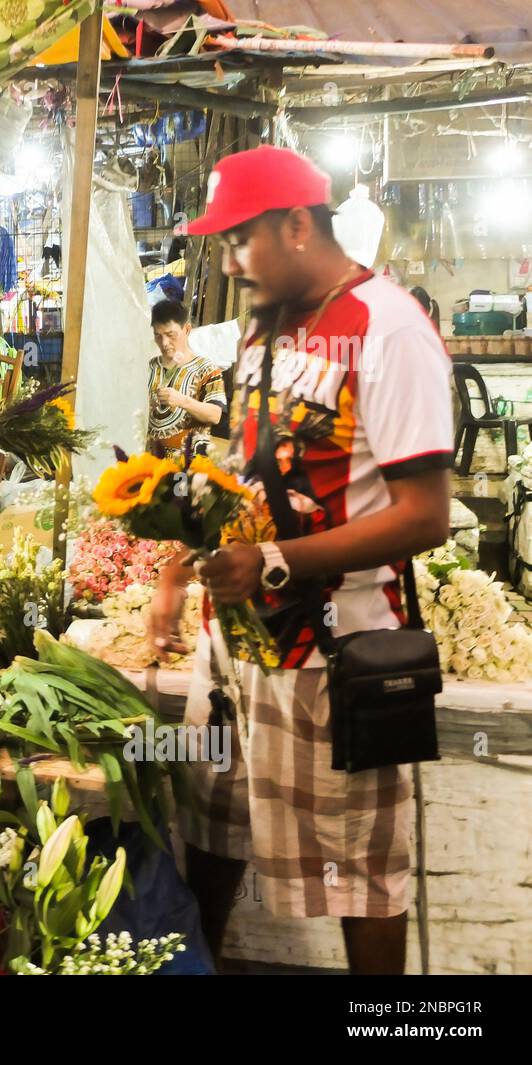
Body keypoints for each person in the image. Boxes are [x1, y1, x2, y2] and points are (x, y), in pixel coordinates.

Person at [150, 146, 452, 975]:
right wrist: (180, 568)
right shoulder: (264, 331)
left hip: (337, 657)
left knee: (359, 875)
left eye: (240, 240)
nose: (230, 261)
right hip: (237, 647)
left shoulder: (389, 329)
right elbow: (244, 476)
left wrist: (277, 559)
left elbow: (426, 515)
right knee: (214, 836)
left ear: (295, 225)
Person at [145, 299, 226, 459]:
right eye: (158, 336)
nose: (164, 343)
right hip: (153, 462)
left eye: (170, 335)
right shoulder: (151, 366)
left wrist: (183, 401)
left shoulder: (207, 369)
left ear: (187, 329)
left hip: (190, 465)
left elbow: (215, 415)